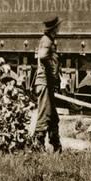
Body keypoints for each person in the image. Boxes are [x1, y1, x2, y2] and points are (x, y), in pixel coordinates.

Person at [33, 16, 63, 153]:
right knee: (45, 114)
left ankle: (56, 146)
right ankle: (38, 145)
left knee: (53, 116)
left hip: (47, 83)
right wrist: (51, 70)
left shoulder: (49, 40)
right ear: (53, 28)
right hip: (44, 82)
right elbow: (43, 55)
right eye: (58, 27)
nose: (59, 29)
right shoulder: (46, 41)